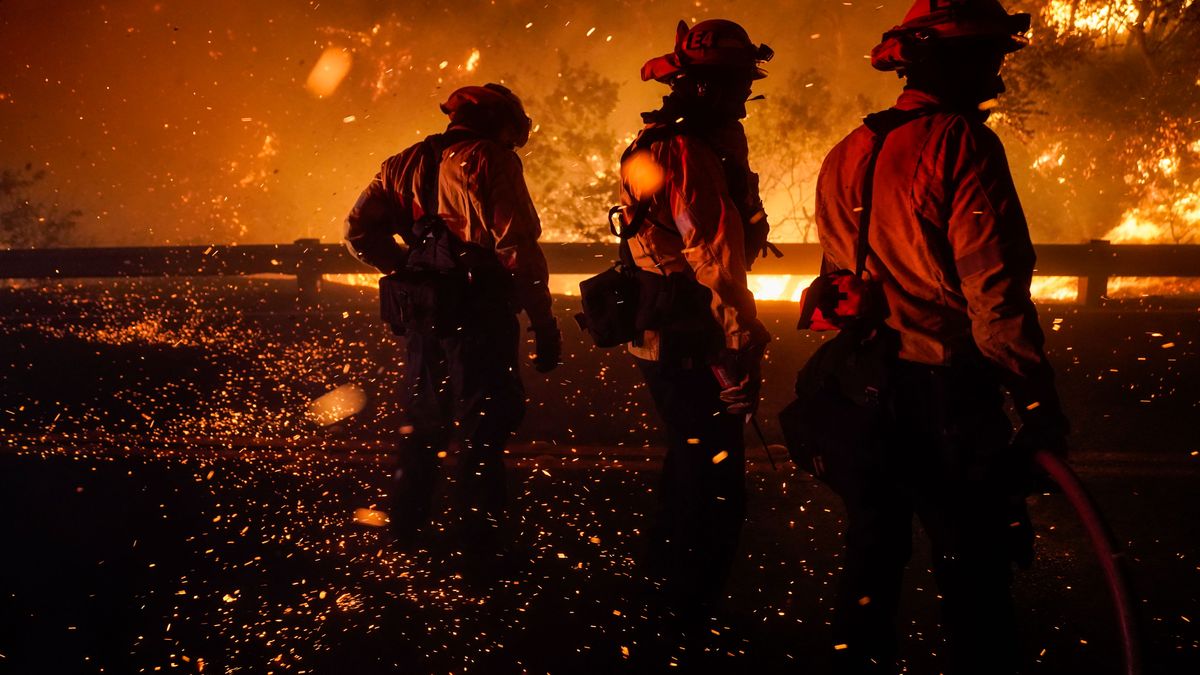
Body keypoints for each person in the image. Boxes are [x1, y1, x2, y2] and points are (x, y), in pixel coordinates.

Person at [812, 1, 1069, 672]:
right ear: (943, 57)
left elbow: (837, 279)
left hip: (865, 388)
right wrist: (1035, 396)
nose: (998, 72)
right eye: (986, 55)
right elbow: (994, 288)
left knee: (871, 561)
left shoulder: (848, 151)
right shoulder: (961, 143)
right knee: (974, 569)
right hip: (943, 393)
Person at [343, 83, 561, 571]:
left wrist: (403, 268)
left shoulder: (403, 162)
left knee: (422, 425)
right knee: (485, 429)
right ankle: (478, 547)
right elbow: (516, 247)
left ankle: (404, 532)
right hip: (480, 312)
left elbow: (358, 231)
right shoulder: (490, 160)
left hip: (424, 314)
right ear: (501, 122)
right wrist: (543, 322)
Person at [618, 19, 774, 610]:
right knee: (714, 483)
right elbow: (712, 255)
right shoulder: (685, 151)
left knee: (689, 468)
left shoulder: (671, 141)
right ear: (704, 86)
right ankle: (687, 611)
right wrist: (737, 345)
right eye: (736, 85)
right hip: (695, 339)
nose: (743, 99)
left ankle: (662, 596)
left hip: (672, 334)